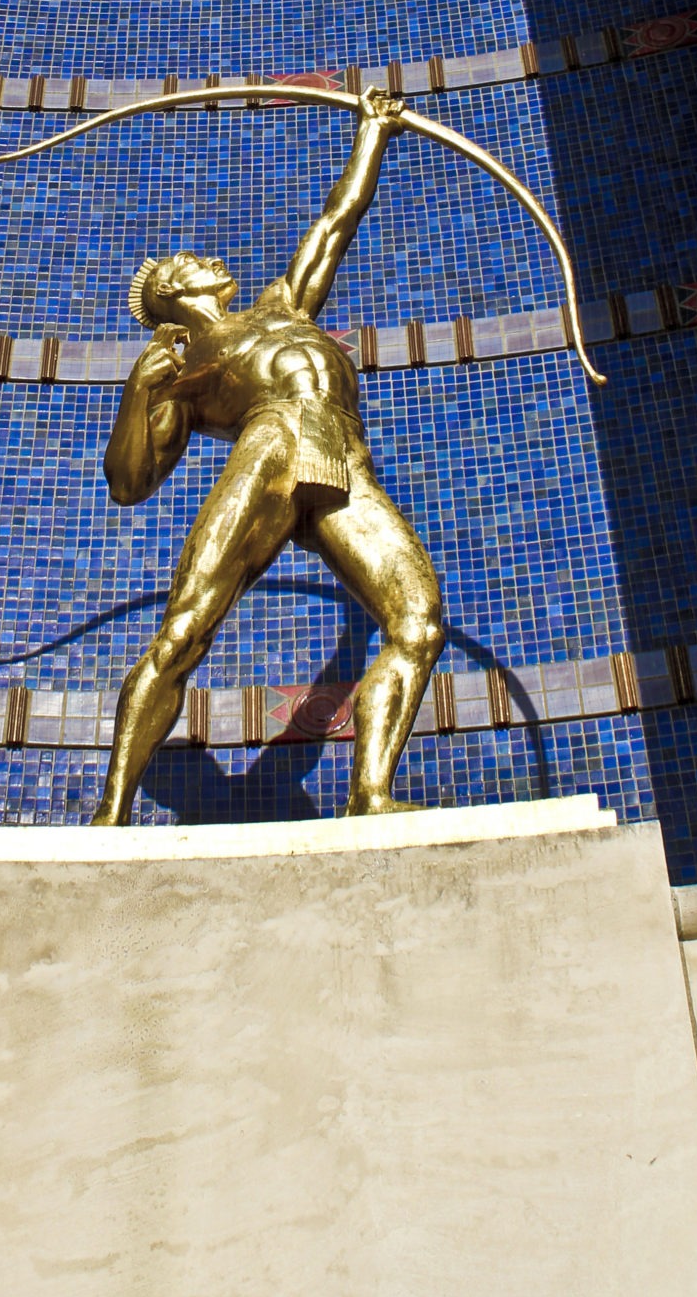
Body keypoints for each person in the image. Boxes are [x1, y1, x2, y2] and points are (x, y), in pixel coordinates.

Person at [96, 86, 445, 823]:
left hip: (343, 456)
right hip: (272, 443)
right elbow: (129, 483)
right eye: (187, 260)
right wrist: (138, 392)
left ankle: (371, 795)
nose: (205, 256)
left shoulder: (280, 307)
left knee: (417, 622)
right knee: (186, 629)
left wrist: (372, 132)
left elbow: (333, 222)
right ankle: (112, 812)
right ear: (171, 291)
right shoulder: (184, 373)